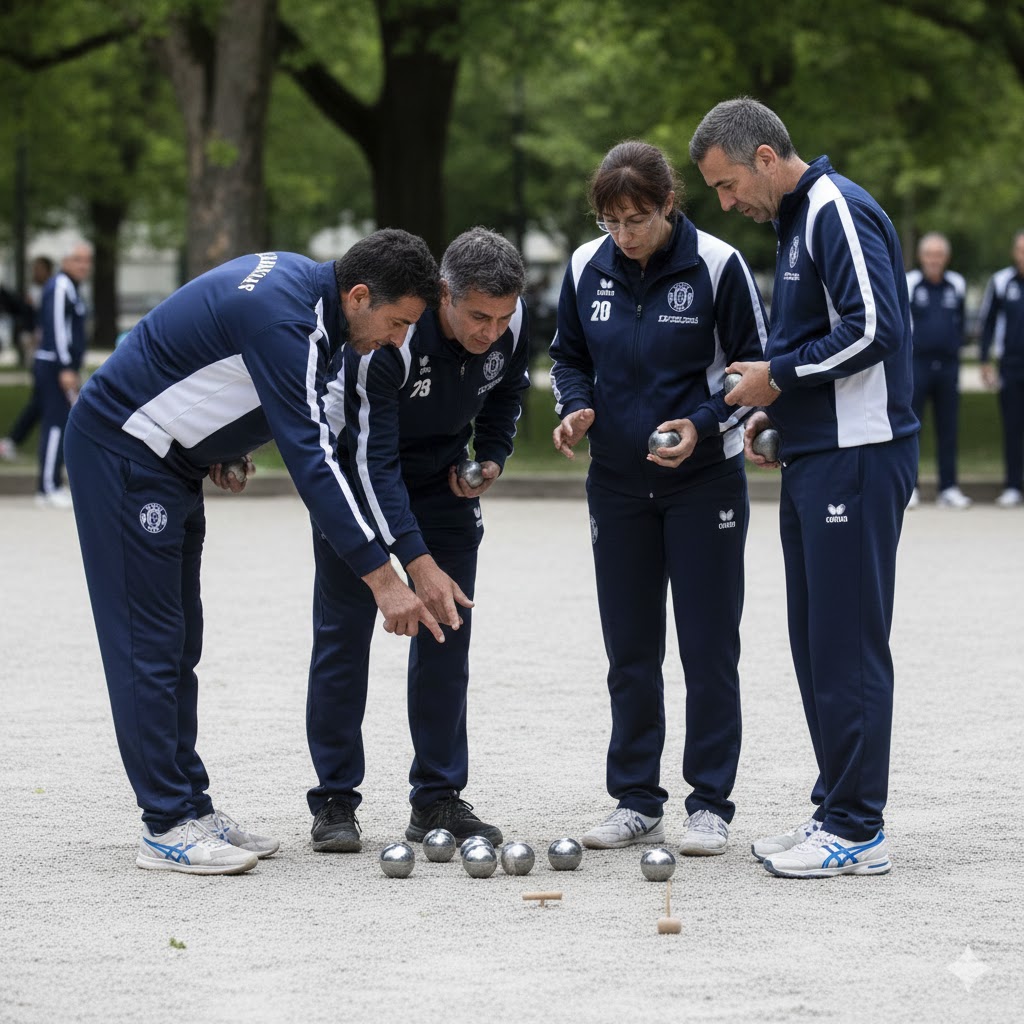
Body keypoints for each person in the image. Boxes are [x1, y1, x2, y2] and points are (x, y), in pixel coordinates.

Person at [64, 229, 445, 876]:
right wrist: (382, 578)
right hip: (124, 453)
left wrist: (226, 447)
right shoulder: (286, 318)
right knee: (147, 644)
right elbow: (312, 458)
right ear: (359, 295)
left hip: (171, 460)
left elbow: (220, 366)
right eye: (398, 322)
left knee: (180, 641)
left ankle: (190, 804)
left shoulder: (307, 296)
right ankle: (164, 825)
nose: (399, 340)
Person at [690, 97, 918, 878]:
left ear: (761, 156)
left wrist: (776, 377)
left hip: (860, 458)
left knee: (846, 646)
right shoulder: (793, 226)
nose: (725, 204)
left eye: (724, 186)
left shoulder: (833, 208)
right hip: (817, 457)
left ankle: (859, 829)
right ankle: (835, 807)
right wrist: (773, 411)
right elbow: (818, 345)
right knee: (816, 645)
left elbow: (872, 329)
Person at [549, 141, 768, 856]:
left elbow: (750, 380)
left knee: (708, 648)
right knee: (631, 652)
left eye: (638, 218)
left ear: (669, 204)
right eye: (612, 221)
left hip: (704, 483)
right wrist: (577, 408)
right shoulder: (587, 266)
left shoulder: (718, 266)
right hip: (615, 483)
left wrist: (700, 429)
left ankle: (711, 804)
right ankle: (636, 799)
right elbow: (569, 357)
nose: (626, 235)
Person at [306, 227, 529, 852]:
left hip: (445, 482)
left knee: (446, 636)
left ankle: (436, 799)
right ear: (442, 295)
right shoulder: (390, 344)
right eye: (477, 316)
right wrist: (413, 564)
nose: (490, 332)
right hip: (361, 480)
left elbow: (509, 387)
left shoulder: (509, 325)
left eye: (502, 317)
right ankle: (333, 801)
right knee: (344, 639)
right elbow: (374, 465)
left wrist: (493, 454)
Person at [905, 233, 971, 509]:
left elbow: (962, 322)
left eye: (939, 255)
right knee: (911, 428)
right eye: (929, 254)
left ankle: (949, 488)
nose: (934, 260)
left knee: (948, 428)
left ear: (946, 258)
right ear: (922, 257)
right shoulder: (910, 283)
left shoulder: (956, 284)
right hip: (917, 364)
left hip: (947, 366)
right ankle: (911, 488)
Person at [32, 244, 92, 505]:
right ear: (65, 261)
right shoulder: (60, 286)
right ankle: (47, 488)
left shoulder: (71, 287)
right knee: (56, 425)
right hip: (54, 366)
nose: (83, 265)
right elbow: (56, 327)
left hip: (62, 366)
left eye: (87, 261)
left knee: (58, 422)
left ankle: (51, 484)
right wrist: (65, 366)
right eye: (77, 260)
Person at [977, 229, 1024, 508]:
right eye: (1021, 250)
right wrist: (984, 361)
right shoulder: (1002, 281)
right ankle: (1012, 485)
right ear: (1014, 252)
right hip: (1012, 366)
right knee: (1013, 428)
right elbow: (988, 323)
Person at [1, 256, 54, 462]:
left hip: (48, 356)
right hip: (42, 357)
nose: (35, 273)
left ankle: (14, 440)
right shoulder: (34, 293)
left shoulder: (51, 291)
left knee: (43, 403)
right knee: (42, 402)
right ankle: (13, 441)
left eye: (39, 269)